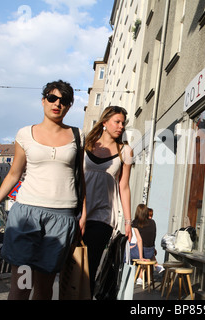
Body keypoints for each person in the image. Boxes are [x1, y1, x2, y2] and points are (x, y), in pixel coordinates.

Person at [0, 80, 86, 300]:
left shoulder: (78, 136)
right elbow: (14, 174)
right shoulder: (25, 134)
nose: (57, 104)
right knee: (22, 285)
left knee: (44, 288)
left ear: (69, 106)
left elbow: (80, 178)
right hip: (26, 218)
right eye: (52, 98)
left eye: (64, 100)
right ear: (43, 101)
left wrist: (83, 214)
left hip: (61, 219)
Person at [83, 106, 133, 295]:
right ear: (105, 122)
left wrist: (128, 221)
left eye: (123, 123)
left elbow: (124, 187)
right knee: (71, 266)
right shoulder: (87, 144)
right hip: (78, 212)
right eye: (117, 122)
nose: (121, 126)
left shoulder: (125, 151)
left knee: (90, 266)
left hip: (103, 216)